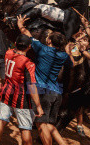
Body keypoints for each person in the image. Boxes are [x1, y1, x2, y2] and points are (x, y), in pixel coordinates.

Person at [18, 15, 71, 145]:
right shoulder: (64, 55)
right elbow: (72, 64)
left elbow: (26, 34)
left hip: (42, 92)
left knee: (41, 125)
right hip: (56, 94)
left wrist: (20, 25)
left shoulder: (42, 49)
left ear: (49, 41)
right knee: (49, 126)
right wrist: (68, 51)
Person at [0, 34, 44, 145]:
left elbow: (13, 50)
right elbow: (31, 86)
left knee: (1, 119)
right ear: (29, 47)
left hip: (6, 92)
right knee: (25, 128)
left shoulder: (8, 53)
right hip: (21, 99)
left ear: (16, 44)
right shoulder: (28, 63)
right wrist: (38, 106)